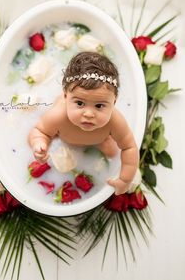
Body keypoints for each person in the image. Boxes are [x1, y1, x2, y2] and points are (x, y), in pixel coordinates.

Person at [28, 51, 139, 195]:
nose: (88, 114)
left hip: (100, 139)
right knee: (47, 139)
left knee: (113, 152)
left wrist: (125, 180)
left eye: (99, 106)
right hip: (62, 136)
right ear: (66, 96)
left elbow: (129, 147)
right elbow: (39, 131)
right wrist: (39, 143)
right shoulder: (58, 116)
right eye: (80, 103)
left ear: (114, 102)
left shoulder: (114, 121)